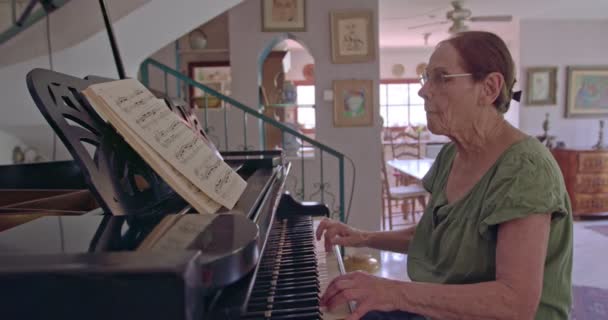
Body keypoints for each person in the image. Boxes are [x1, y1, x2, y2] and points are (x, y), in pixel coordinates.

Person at [316, 31, 573, 320]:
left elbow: (514, 302)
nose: (423, 91)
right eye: (427, 78)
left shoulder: (526, 169)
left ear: (488, 88)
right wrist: (363, 237)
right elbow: (433, 237)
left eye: (441, 77)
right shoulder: (451, 155)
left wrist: (393, 291)